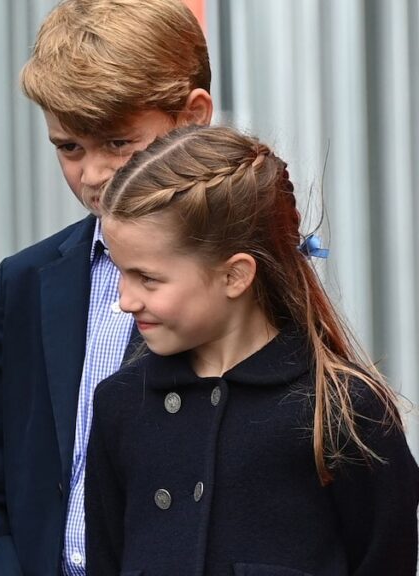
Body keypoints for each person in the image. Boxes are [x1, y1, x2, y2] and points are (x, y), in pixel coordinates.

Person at [0, 0, 213, 574]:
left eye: (118, 142)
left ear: (192, 117)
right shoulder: (27, 282)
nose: (92, 175)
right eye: (69, 147)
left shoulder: (246, 277)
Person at [86, 124, 419, 574]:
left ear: (235, 276)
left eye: (148, 278)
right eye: (120, 272)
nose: (125, 300)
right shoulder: (120, 404)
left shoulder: (344, 410)